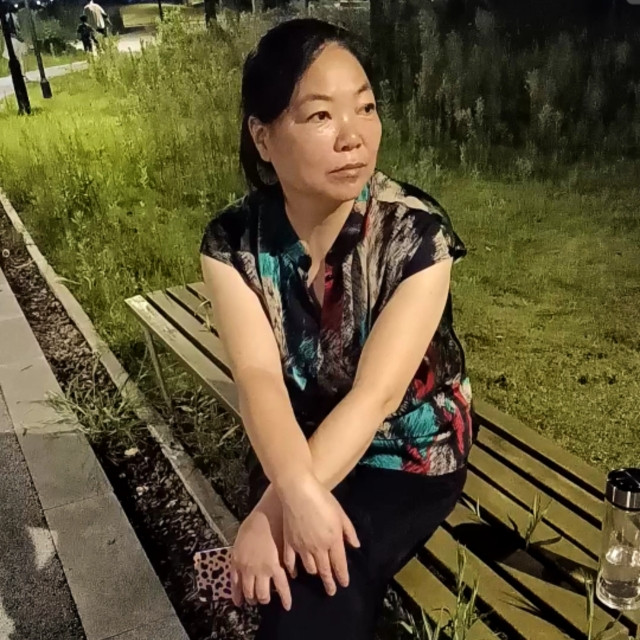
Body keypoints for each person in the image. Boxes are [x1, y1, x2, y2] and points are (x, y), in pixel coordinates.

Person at [199, 18, 477, 640]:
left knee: (319, 584)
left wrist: (269, 513)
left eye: (366, 108)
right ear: (263, 137)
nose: (353, 136)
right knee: (301, 587)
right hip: (295, 442)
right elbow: (257, 377)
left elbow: (376, 397)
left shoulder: (416, 236)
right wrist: (293, 496)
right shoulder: (233, 243)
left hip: (405, 450)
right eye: (321, 115)